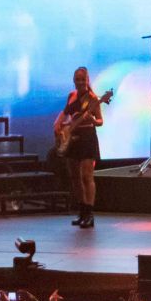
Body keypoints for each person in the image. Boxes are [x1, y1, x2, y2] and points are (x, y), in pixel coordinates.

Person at [54, 67, 103, 229]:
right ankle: (82, 211)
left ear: (87, 80)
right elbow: (65, 113)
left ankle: (90, 213)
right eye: (77, 79)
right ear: (74, 80)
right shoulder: (71, 96)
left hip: (87, 137)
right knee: (75, 176)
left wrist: (92, 120)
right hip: (73, 138)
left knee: (87, 176)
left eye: (83, 79)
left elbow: (100, 121)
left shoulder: (93, 98)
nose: (80, 82)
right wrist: (58, 124)